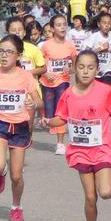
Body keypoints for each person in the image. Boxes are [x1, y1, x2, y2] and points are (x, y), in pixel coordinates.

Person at [47, 50, 111, 221]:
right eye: (81, 67)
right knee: (90, 197)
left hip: (101, 149)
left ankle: (102, 179)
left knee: (106, 192)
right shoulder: (68, 94)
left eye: (90, 68)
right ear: (75, 68)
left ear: (97, 70)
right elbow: (62, 117)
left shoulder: (104, 90)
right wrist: (49, 121)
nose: (85, 72)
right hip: (80, 151)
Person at [0, 32, 40, 221]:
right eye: (1, 51)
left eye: (9, 52)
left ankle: (16, 206)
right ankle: (0, 173)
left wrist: (34, 104)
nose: (4, 55)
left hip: (20, 126)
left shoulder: (25, 77)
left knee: (17, 176)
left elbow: (38, 100)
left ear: (19, 55)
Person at [37, 13, 77, 154]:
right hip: (47, 82)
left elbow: (75, 64)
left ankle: (60, 144)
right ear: (52, 29)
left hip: (62, 81)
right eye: (59, 25)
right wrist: (45, 73)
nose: (62, 27)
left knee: (61, 111)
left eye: (64, 24)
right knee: (48, 111)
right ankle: (45, 119)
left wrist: (70, 69)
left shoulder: (70, 46)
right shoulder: (45, 46)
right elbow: (39, 64)